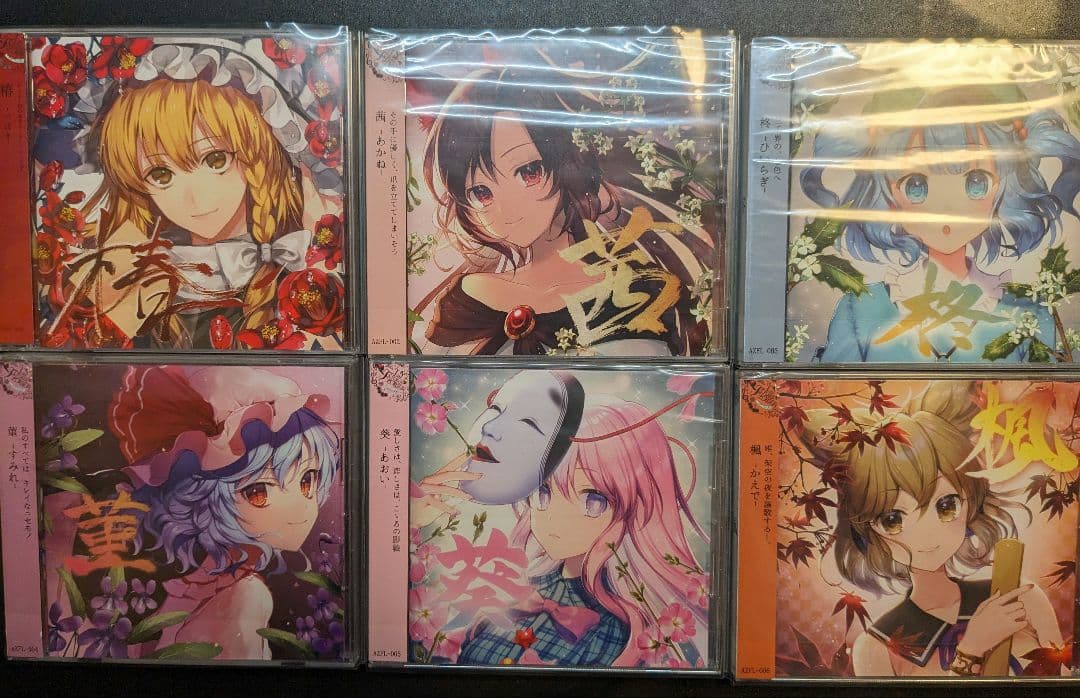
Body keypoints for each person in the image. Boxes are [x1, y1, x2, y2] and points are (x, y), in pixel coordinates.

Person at [414, 68, 711, 356]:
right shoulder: (465, 302)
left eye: (529, 172)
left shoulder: (641, 292)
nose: (508, 208)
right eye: (481, 192)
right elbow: (427, 382)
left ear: (565, 161)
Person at [413, 384, 709, 667]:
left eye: (593, 500)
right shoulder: (517, 588)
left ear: (635, 506)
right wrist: (411, 524)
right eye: (542, 492)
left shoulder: (618, 632)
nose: (554, 517)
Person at [801, 85, 1080, 362]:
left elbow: (1050, 389)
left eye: (976, 182)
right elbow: (829, 389)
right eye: (916, 185)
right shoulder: (860, 311)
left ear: (1001, 189)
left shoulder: (1028, 314)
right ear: (890, 196)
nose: (946, 208)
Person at [809, 382, 1063, 676]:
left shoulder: (1020, 597)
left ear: (971, 501)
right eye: (892, 519)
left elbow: (1063, 681)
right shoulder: (876, 647)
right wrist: (971, 649)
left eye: (946, 505)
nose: (926, 534)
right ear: (867, 532)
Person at [108, 365, 341, 659]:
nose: (301, 509)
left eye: (308, 481)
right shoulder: (247, 595)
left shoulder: (199, 583)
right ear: (203, 496)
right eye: (259, 492)